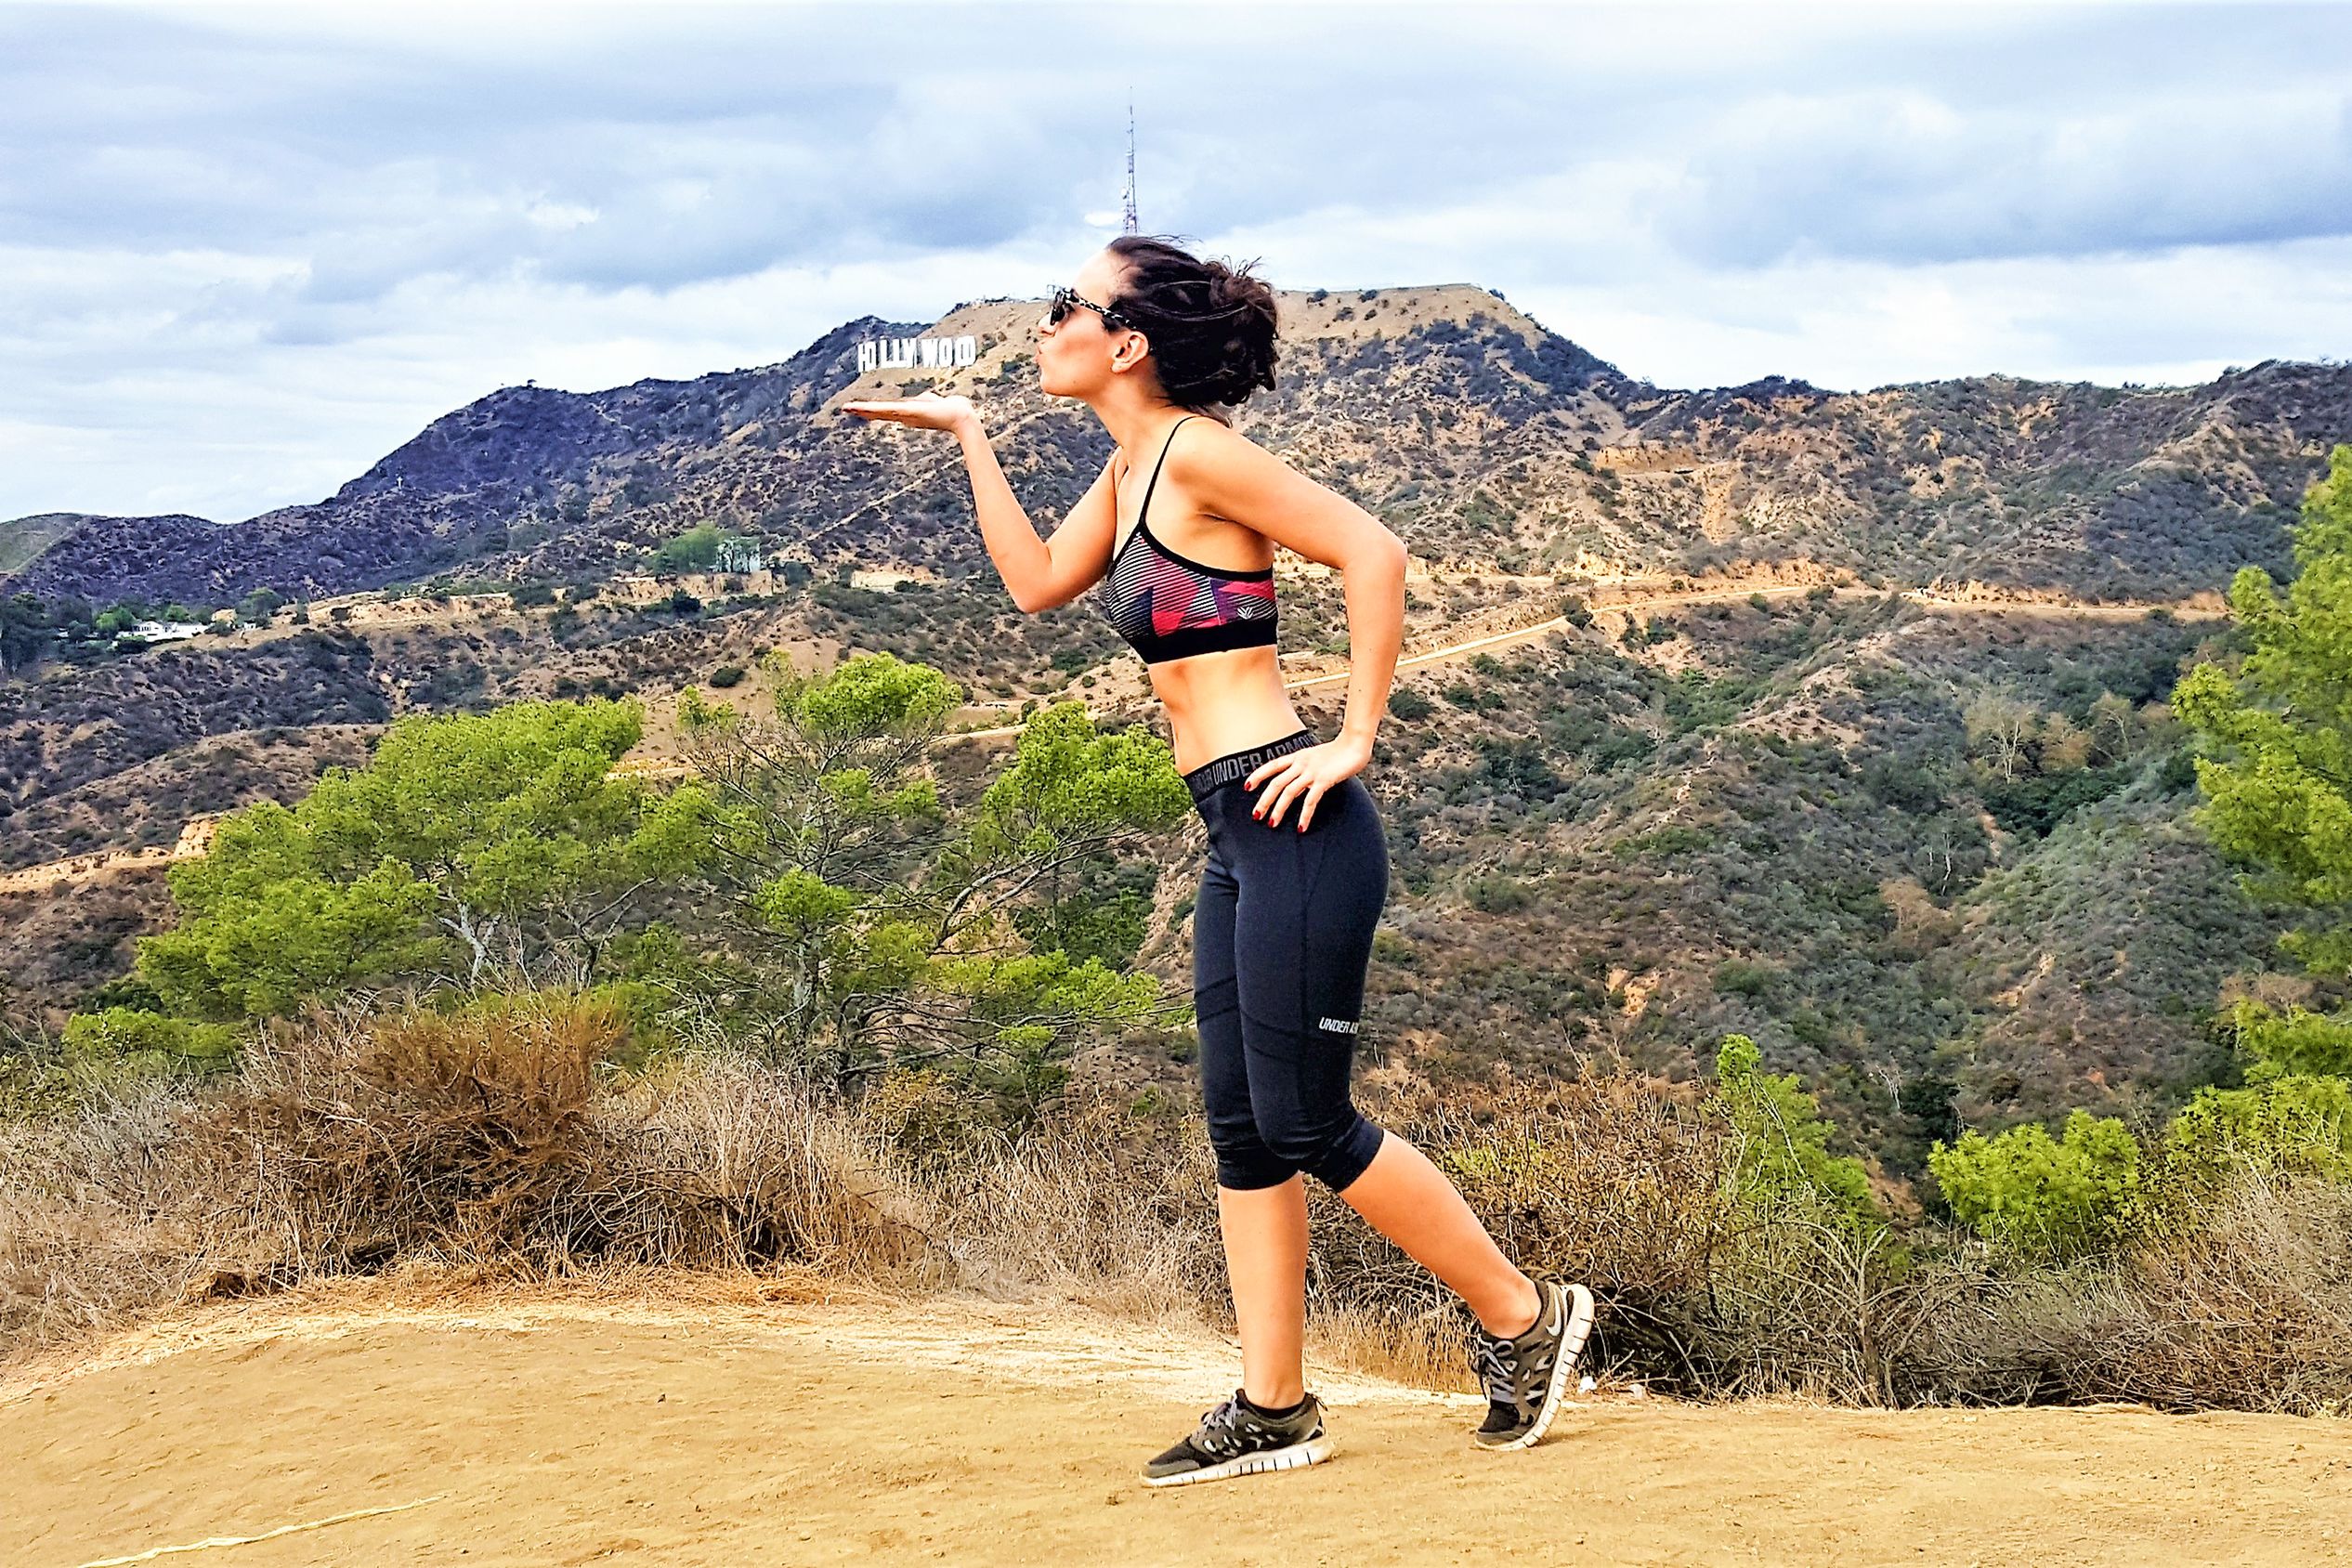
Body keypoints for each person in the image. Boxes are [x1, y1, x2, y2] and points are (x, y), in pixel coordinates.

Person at [843, 235, 1594, 1487]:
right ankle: (1275, 1405)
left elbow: (1374, 552)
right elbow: (1035, 586)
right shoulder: (1132, 467)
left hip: (1294, 817)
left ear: (1125, 342)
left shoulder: (1199, 454)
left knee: (1306, 1116)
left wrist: (1356, 736)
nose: (1045, 326)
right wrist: (970, 433)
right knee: (1243, 1131)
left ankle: (1525, 1316)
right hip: (1231, 831)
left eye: (1062, 307)